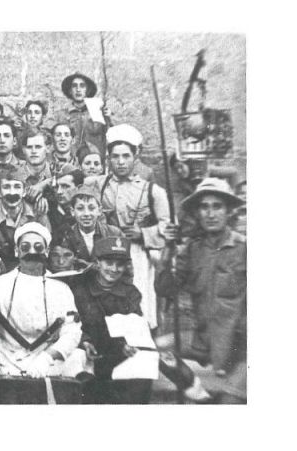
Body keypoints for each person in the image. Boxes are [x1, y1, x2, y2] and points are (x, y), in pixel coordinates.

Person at [0, 222, 85, 403]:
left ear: (46, 251)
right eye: (25, 247)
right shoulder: (1, 283)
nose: (32, 252)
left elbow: (72, 333)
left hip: (48, 364)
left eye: (38, 247)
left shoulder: (61, 289)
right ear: (16, 251)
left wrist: (47, 357)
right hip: (9, 365)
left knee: (78, 358)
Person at [157, 177, 247, 403]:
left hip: (241, 346)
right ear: (197, 213)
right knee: (154, 349)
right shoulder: (192, 249)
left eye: (217, 206)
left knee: (229, 403)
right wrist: (168, 248)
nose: (210, 213)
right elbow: (165, 288)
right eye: (204, 207)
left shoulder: (245, 248)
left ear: (228, 212)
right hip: (203, 340)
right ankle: (198, 394)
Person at [86, 124, 170, 330]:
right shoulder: (97, 183)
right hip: (106, 254)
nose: (121, 162)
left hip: (137, 255)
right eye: (115, 156)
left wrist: (143, 234)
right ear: (109, 158)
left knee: (138, 304)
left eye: (126, 156)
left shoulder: (153, 191)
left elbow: (168, 227)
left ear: (136, 155)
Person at [62, 237, 154, 404]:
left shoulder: (130, 293)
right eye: (108, 263)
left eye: (120, 264)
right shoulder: (79, 290)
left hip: (117, 355)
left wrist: (128, 345)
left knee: (141, 377)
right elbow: (69, 323)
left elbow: (135, 327)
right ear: (98, 263)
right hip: (87, 354)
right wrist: (84, 342)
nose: (114, 269)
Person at [0, 164, 51, 269]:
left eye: (17, 187)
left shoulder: (37, 214)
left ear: (24, 191)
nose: (12, 193)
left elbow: (47, 246)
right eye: (6, 187)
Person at [54, 185, 123, 264]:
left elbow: (123, 265)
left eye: (91, 208)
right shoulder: (65, 236)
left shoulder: (113, 233)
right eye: (80, 208)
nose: (86, 214)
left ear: (99, 211)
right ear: (72, 211)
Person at [54, 72, 107, 159]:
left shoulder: (98, 114)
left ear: (87, 90)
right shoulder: (61, 115)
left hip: (93, 163)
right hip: (70, 162)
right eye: (74, 86)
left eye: (82, 86)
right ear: (70, 91)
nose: (78, 89)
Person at [45, 164, 84, 231]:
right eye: (56, 187)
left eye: (65, 186)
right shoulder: (48, 210)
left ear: (79, 188)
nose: (59, 192)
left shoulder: (87, 211)